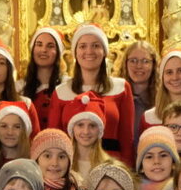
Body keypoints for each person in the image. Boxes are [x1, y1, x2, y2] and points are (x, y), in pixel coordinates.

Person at [48, 23, 135, 164]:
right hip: (73, 167)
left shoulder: (122, 88)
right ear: (75, 52)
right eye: (83, 46)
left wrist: (125, 174)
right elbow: (54, 140)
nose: (89, 51)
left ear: (105, 51)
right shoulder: (61, 92)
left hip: (111, 167)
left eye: (96, 45)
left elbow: (127, 140)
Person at [19, 26, 66, 129]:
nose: (44, 50)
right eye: (39, 44)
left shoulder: (68, 86)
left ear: (58, 52)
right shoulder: (18, 88)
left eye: (50, 46)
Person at [118, 40, 159, 148]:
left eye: (145, 61)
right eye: (133, 60)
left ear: (153, 65)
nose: (139, 66)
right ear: (125, 64)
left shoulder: (161, 100)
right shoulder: (116, 97)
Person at [63, 91, 112, 179]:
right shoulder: (63, 164)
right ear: (72, 129)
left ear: (99, 130)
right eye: (80, 125)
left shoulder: (110, 166)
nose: (86, 131)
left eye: (92, 126)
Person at [0, 101, 34, 181]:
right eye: (4, 126)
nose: (10, 132)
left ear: (24, 130)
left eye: (17, 127)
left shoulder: (33, 166)